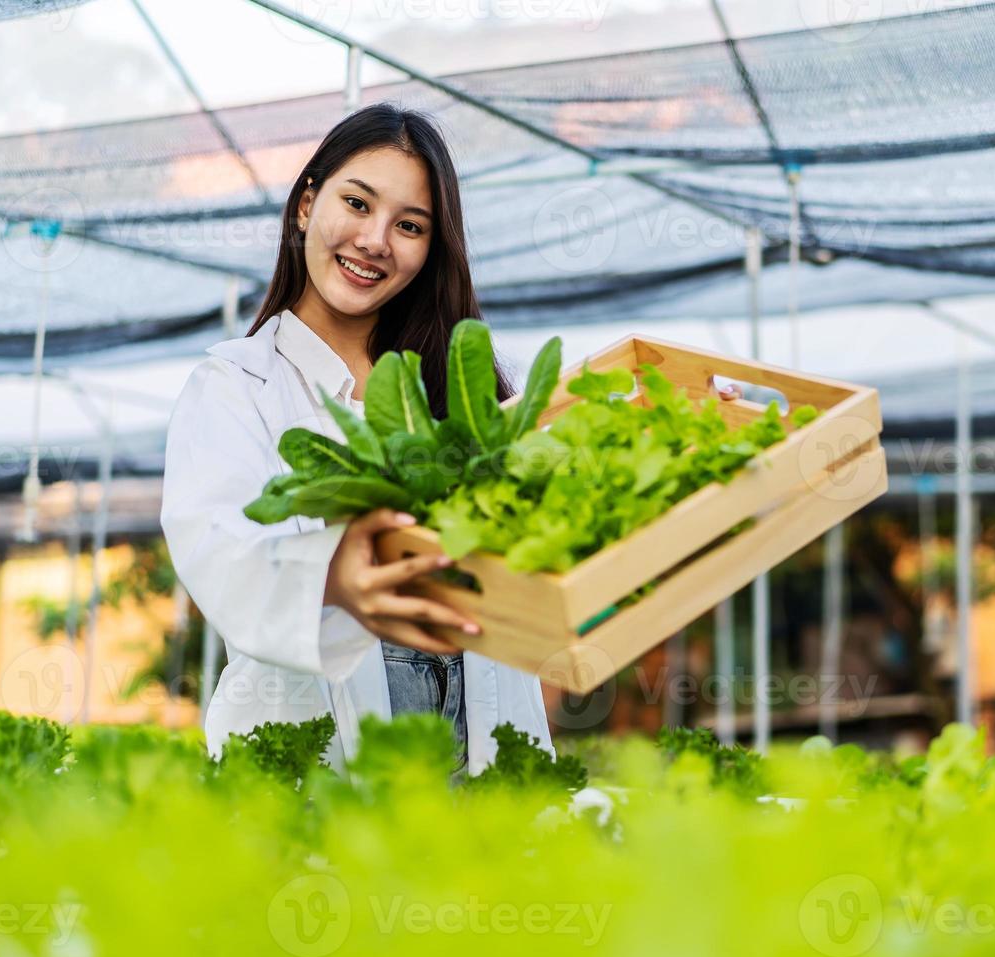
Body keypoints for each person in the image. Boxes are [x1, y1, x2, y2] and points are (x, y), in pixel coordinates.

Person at [162, 103, 739, 775]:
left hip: (483, 751)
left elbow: (560, 536)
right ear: (306, 205)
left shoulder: (473, 392)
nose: (376, 239)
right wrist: (332, 574)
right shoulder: (236, 384)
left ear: (431, 250)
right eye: (357, 203)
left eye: (410, 226)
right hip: (318, 772)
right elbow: (216, 544)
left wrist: (679, 441)